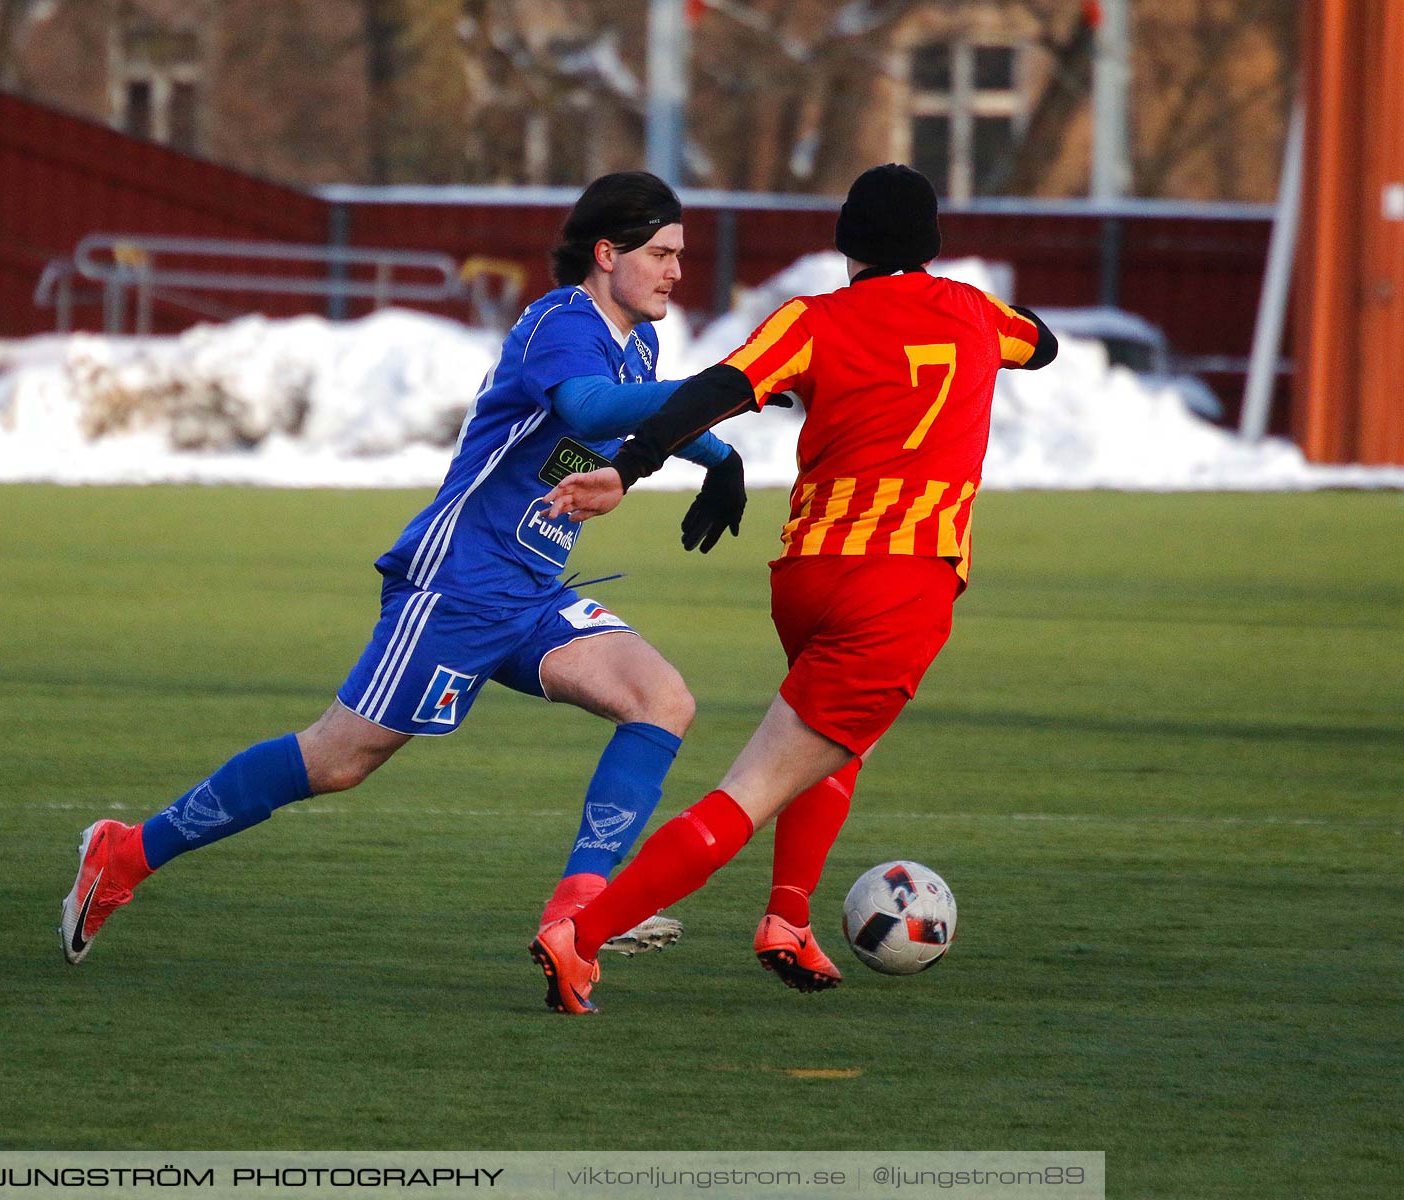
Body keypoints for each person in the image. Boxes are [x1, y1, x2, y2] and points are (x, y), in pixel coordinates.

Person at [60, 172, 753, 970]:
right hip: (457, 583)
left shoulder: (638, 341)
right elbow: (594, 409)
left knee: (660, 700)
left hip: (531, 593)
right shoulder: (559, 322)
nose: (675, 271)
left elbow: (639, 402)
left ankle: (582, 907)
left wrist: (717, 452)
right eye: (661, 254)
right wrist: (715, 398)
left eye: (679, 255)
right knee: (337, 759)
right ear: (606, 254)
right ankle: (125, 853)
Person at [530, 163, 1058, 1013]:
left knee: (838, 740)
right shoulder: (973, 313)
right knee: (754, 789)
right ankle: (580, 937)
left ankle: (787, 921)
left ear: (846, 244)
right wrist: (968, 312)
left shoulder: (812, 322)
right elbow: (1042, 342)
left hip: (809, 575)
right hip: (903, 584)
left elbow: (714, 393)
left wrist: (630, 468)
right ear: (929, 245)